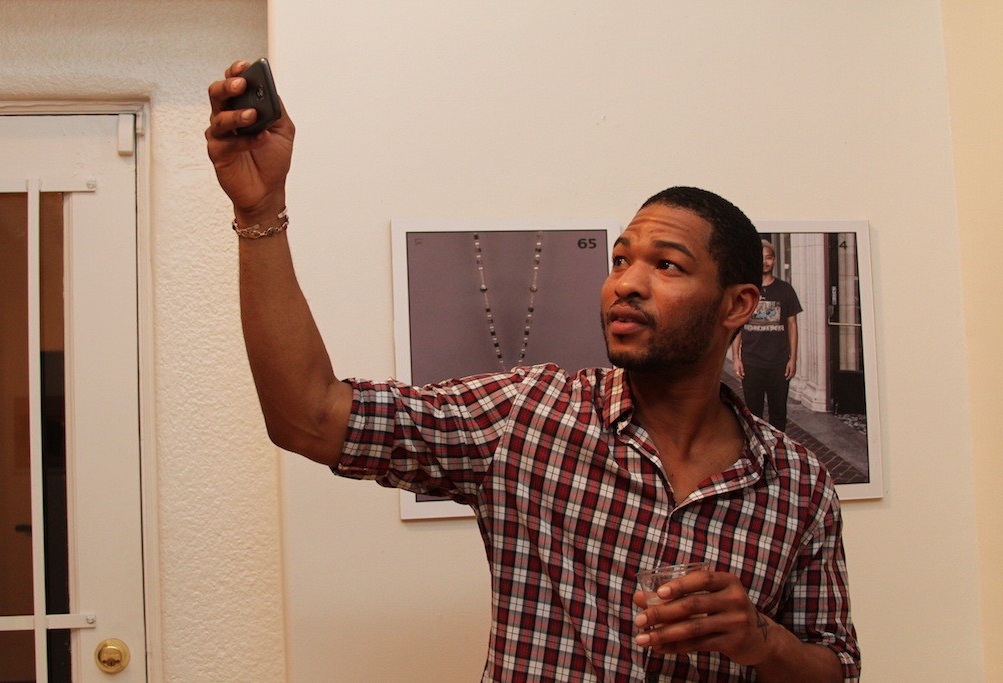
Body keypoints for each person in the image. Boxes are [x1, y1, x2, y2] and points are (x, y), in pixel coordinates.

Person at [206, 60, 859, 682]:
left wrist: (761, 640)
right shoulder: (529, 415)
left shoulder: (798, 484)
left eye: (666, 265)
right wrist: (260, 212)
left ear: (738, 305)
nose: (626, 283)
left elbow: (836, 667)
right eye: (621, 259)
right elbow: (310, 416)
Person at [732, 240, 802, 431]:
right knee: (753, 415)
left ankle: (777, 448)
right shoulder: (746, 292)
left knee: (778, 414)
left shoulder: (785, 290)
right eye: (761, 258)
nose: (765, 262)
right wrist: (736, 358)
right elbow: (738, 326)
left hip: (778, 363)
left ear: (774, 260)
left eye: (769, 258)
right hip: (751, 362)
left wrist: (793, 359)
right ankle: (758, 447)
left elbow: (792, 325)